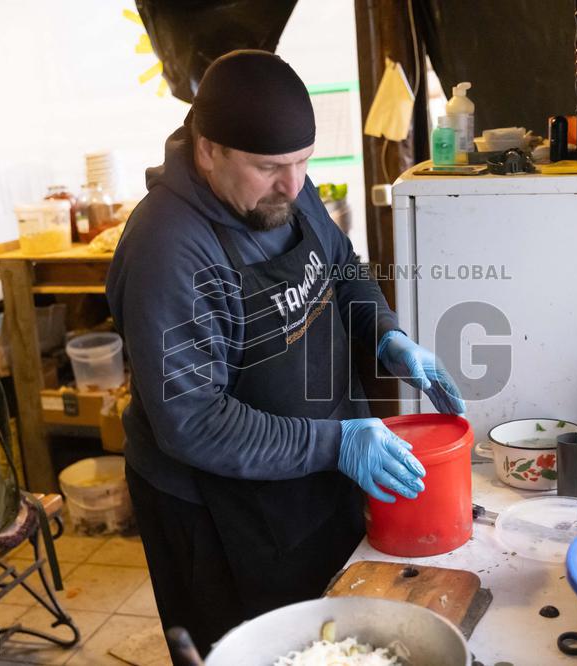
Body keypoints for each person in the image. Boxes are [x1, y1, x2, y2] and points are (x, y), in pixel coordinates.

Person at [105, 49, 464, 656]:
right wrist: (335, 442)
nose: (294, 185)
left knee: (323, 638)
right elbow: (193, 423)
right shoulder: (167, 249)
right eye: (271, 166)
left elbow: (341, 268)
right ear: (208, 148)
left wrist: (385, 334)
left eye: (303, 162)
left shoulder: (283, 192)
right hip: (215, 514)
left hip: (307, 474)